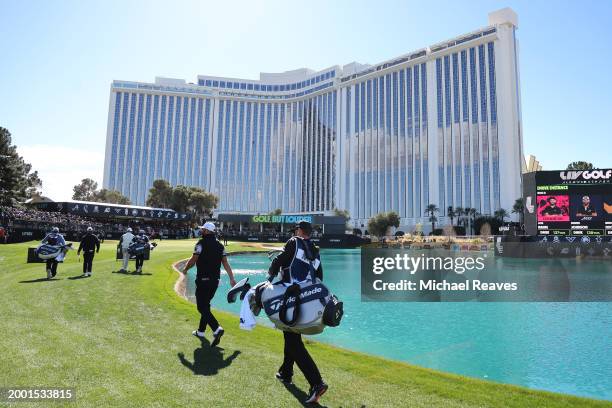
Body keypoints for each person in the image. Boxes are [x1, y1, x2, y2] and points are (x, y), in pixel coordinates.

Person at [268, 221, 328, 404]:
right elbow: (320, 275)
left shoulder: (293, 242)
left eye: (296, 230)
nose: (294, 232)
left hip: (291, 298)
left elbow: (280, 261)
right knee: (290, 335)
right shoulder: (315, 249)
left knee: (293, 342)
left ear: (300, 231)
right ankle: (286, 373)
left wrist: (269, 276)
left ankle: (317, 383)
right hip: (307, 299)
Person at [181, 222, 237, 347]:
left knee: (201, 307)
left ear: (207, 231)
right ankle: (201, 331)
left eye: (203, 229)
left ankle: (217, 328)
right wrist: (231, 278)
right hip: (215, 281)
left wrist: (185, 269)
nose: (201, 231)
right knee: (206, 305)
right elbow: (226, 264)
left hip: (203, 280)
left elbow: (193, 260)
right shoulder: (220, 246)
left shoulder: (200, 244)